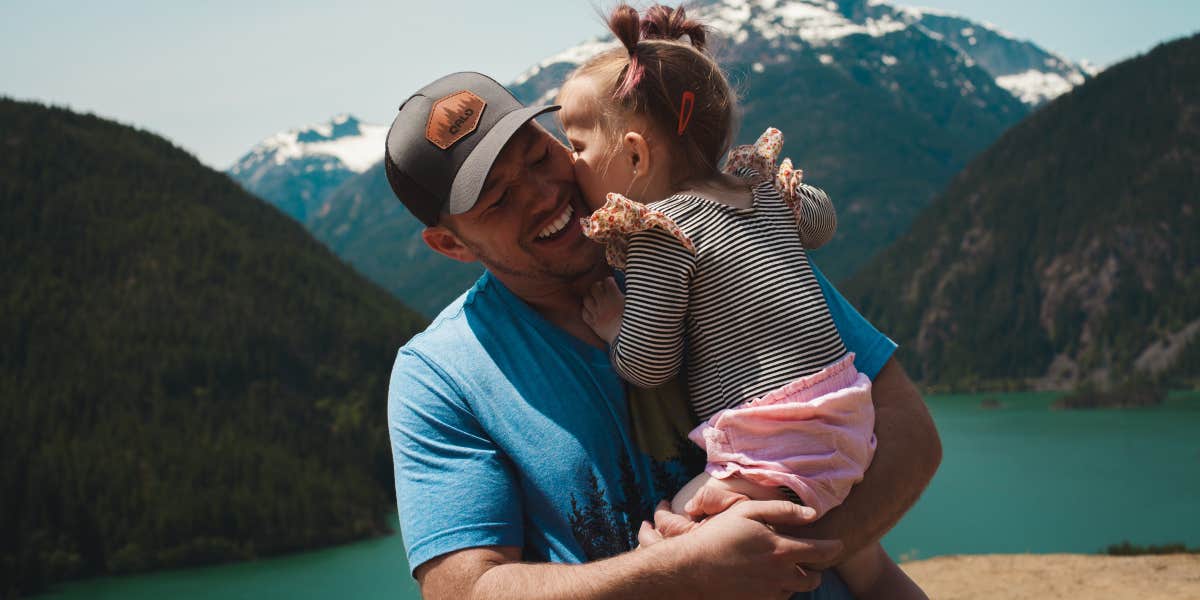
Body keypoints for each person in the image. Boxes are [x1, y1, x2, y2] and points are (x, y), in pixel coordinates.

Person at [384, 69, 941, 599]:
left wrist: (785, 552)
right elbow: (465, 589)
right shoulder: (438, 377)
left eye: (538, 155)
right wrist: (684, 575)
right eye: (500, 199)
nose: (542, 194)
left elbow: (910, 433)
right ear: (450, 245)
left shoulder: (712, 228)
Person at [557, 5, 926, 598]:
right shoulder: (756, 188)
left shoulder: (661, 232)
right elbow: (820, 222)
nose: (567, 162)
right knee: (870, 568)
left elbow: (650, 365)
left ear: (634, 154)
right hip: (848, 413)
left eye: (576, 145)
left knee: (681, 536)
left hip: (772, 441)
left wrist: (613, 327)